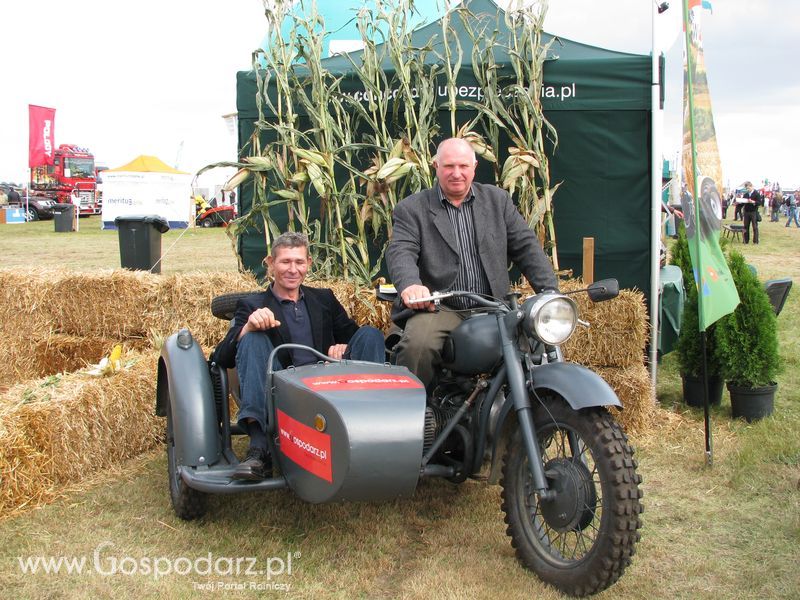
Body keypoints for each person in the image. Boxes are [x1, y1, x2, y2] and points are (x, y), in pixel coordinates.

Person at [386, 137, 558, 389]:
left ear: (474, 167)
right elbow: (401, 251)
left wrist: (550, 292)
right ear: (436, 166)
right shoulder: (412, 209)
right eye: (449, 166)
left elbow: (526, 246)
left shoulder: (497, 201)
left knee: (534, 344)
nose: (457, 174)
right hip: (442, 307)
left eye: (463, 166)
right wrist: (411, 285)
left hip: (493, 305)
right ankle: (412, 418)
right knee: (417, 346)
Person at [214, 232, 385, 480]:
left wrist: (341, 346)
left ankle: (373, 433)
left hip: (328, 384)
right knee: (253, 339)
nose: (293, 270)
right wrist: (247, 328)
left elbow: (355, 336)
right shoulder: (252, 304)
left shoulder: (323, 299)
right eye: (285, 262)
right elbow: (222, 358)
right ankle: (259, 450)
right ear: (271, 263)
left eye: (299, 262)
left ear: (309, 265)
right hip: (282, 390)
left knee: (371, 334)